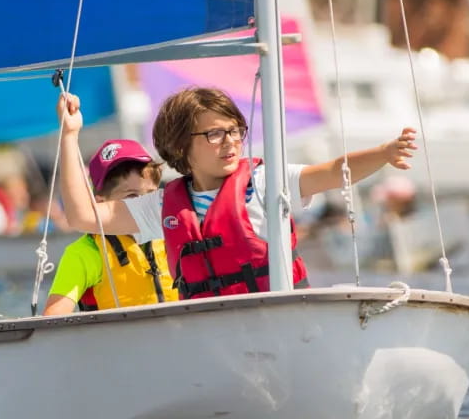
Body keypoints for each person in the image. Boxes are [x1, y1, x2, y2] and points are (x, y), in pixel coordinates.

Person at [56, 87, 418, 299]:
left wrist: (383, 154)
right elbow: (82, 216)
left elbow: (334, 170)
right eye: (214, 134)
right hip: (214, 334)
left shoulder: (266, 182)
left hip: (280, 320)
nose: (230, 141)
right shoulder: (164, 206)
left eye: (235, 130)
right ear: (181, 147)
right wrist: (69, 136)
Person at [43, 139, 176, 315]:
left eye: (150, 195)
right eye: (132, 196)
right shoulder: (84, 254)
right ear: (100, 204)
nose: (143, 204)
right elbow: (53, 318)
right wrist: (69, 134)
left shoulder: (174, 234)